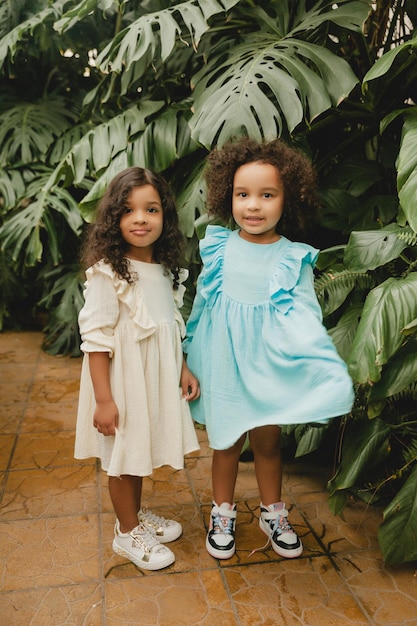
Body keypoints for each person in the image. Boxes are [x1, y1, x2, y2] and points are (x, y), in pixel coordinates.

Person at [183, 137, 354, 560]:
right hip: (222, 363)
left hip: (266, 367)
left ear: (287, 200)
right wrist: (187, 356)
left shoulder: (291, 258)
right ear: (228, 197)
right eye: (243, 195)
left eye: (266, 195)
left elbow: (304, 315)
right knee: (224, 444)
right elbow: (203, 306)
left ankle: (271, 512)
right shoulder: (219, 248)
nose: (253, 206)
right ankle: (221, 512)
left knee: (268, 443)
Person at [75, 166, 200, 571]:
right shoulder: (107, 274)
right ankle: (127, 533)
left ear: (165, 216)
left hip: (153, 380)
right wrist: (104, 400)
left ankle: (134, 515)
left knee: (138, 451)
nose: (141, 218)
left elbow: (170, 327)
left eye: (151, 209)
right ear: (114, 219)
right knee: (123, 456)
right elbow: (95, 341)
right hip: (121, 384)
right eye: (129, 211)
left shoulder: (166, 272)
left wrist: (182, 368)